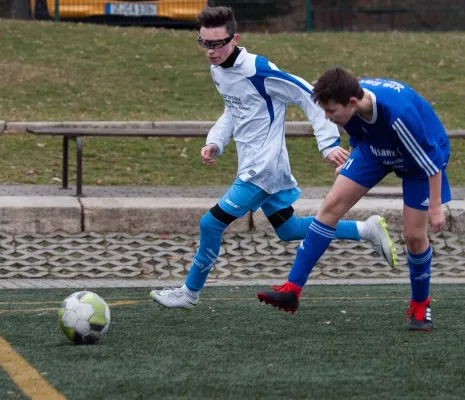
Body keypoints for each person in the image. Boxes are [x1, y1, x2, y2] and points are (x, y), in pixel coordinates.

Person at [150, 7, 396, 310]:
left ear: (235, 38)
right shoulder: (219, 70)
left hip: (261, 171)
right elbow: (233, 109)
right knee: (289, 229)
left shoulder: (258, 70)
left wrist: (328, 143)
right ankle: (366, 229)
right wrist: (216, 140)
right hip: (262, 167)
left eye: (217, 43)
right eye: (205, 44)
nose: (211, 51)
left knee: (209, 224)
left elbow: (308, 93)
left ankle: (189, 293)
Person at [258, 66, 451, 332]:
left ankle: (421, 305)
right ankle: (292, 289)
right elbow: (358, 132)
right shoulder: (350, 102)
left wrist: (437, 206)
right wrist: (350, 161)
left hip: (420, 160)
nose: (327, 117)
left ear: (351, 102)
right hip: (374, 148)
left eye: (330, 112)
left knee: (414, 235)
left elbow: (432, 161)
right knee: (331, 205)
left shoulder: (398, 116)